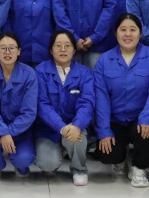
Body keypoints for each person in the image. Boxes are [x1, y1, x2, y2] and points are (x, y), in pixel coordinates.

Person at [93, 13, 149, 188]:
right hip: (116, 120)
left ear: (140, 34)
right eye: (123, 30)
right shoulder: (104, 60)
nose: (128, 34)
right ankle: (120, 158)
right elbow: (101, 97)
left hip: (140, 118)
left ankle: (139, 169)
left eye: (133, 30)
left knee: (148, 134)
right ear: (115, 33)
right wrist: (104, 129)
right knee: (107, 153)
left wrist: (147, 117)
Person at [34, 29, 94, 186]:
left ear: (74, 50)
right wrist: (61, 127)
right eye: (58, 45)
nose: (63, 49)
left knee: (78, 136)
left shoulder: (85, 73)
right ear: (51, 50)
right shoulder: (40, 71)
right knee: (48, 165)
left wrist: (77, 125)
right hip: (48, 129)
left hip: (74, 126)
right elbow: (42, 105)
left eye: (67, 45)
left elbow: (87, 103)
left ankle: (79, 169)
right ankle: (55, 153)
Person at [0, 31, 38, 183]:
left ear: (19, 51)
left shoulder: (29, 75)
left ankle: (20, 165)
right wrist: (2, 132)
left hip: (21, 129)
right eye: (3, 48)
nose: (7, 52)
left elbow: (29, 113)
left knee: (23, 159)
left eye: (11, 48)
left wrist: (8, 132)